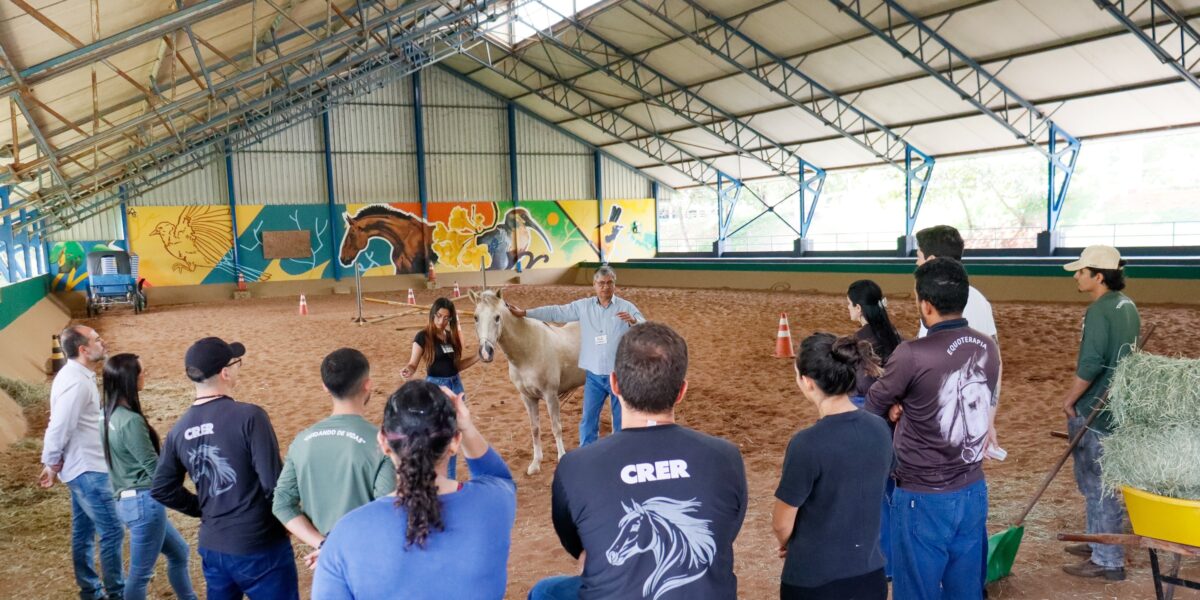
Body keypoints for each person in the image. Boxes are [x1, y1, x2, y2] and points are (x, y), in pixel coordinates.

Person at [529, 322, 748, 600]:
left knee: (545, 592)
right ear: (681, 391)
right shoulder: (726, 456)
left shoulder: (574, 465)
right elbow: (725, 530)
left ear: (614, 384)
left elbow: (577, 546)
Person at [866, 258, 1001, 600]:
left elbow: (873, 405)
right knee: (965, 584)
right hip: (972, 486)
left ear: (925, 305)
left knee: (917, 587)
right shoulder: (988, 346)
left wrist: (899, 408)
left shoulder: (911, 354)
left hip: (922, 493)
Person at [312, 381, 517, 599]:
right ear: (455, 441)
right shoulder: (495, 502)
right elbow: (497, 476)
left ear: (383, 441)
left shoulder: (346, 535)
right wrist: (466, 426)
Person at [151, 337, 298, 600]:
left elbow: (162, 488)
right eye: (236, 363)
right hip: (259, 545)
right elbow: (273, 483)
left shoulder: (179, 430)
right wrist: (288, 519)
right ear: (225, 373)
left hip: (213, 546)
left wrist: (204, 507)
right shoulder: (250, 416)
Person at [774, 333, 893, 600]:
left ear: (807, 382)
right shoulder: (879, 428)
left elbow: (782, 523)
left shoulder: (806, 444)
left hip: (814, 580)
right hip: (869, 575)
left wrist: (788, 542)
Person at [273, 348, 395, 570]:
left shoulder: (302, 441)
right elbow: (386, 510)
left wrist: (325, 545)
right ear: (368, 384)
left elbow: (282, 503)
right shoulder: (383, 444)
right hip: (369, 561)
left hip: (326, 564)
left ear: (325, 387)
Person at [1059, 245, 1140, 581]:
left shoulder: (1099, 311)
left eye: (1082, 271)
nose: (1076, 276)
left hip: (1097, 409)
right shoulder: (1128, 306)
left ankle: (1107, 558)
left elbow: (1091, 364)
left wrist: (1070, 399)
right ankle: (1097, 541)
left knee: (1097, 483)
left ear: (1099, 276)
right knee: (1102, 482)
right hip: (1117, 406)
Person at [508, 265, 646, 446]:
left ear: (614, 285)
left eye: (609, 283)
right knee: (588, 419)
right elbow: (556, 311)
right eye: (601, 283)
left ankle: (620, 450)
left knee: (620, 419)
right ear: (595, 285)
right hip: (594, 376)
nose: (605, 287)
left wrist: (634, 321)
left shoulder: (626, 307)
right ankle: (587, 451)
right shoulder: (583, 307)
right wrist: (526, 312)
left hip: (618, 374)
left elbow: (645, 325)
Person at [101, 353, 198, 600]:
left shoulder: (108, 414)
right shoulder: (131, 421)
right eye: (142, 372)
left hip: (127, 500)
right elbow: (154, 469)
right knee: (140, 574)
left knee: (179, 552)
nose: (146, 376)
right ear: (129, 379)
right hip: (144, 504)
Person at [40, 325, 126, 600]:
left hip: (81, 466)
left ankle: (90, 590)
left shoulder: (76, 375)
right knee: (112, 530)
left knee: (84, 531)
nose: (103, 342)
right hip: (88, 469)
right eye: (97, 340)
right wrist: (51, 463)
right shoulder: (76, 382)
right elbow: (60, 425)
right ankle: (116, 593)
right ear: (83, 349)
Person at [400, 298, 479, 478]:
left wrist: (478, 356)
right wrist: (408, 370)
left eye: (446, 318)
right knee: (438, 435)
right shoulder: (423, 336)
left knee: (453, 434)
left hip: (455, 385)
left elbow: (456, 365)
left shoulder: (451, 337)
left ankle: (448, 479)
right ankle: (433, 475)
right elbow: (413, 363)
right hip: (436, 387)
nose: (441, 321)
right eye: (439, 316)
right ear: (432, 314)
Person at [846, 279, 903, 408]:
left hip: (868, 402)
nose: (848, 307)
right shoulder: (895, 334)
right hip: (893, 397)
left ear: (858, 308)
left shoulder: (859, 340)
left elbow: (860, 383)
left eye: (849, 303)